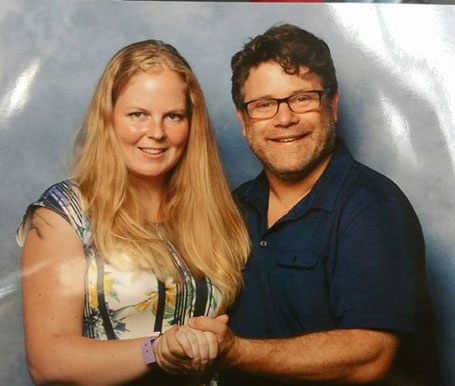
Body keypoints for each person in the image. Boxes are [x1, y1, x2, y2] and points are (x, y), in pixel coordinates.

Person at [188, 24, 427, 385]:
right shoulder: (235, 207)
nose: (285, 119)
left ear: (331, 105)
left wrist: (236, 352)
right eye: (265, 105)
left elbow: (370, 356)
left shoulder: (373, 206)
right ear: (244, 121)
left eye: (302, 98)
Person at [17, 39, 250, 385]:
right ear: (108, 118)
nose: (156, 133)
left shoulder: (216, 212)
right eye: (138, 114)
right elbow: (47, 362)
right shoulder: (63, 214)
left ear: (191, 125)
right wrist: (156, 350)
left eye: (173, 116)